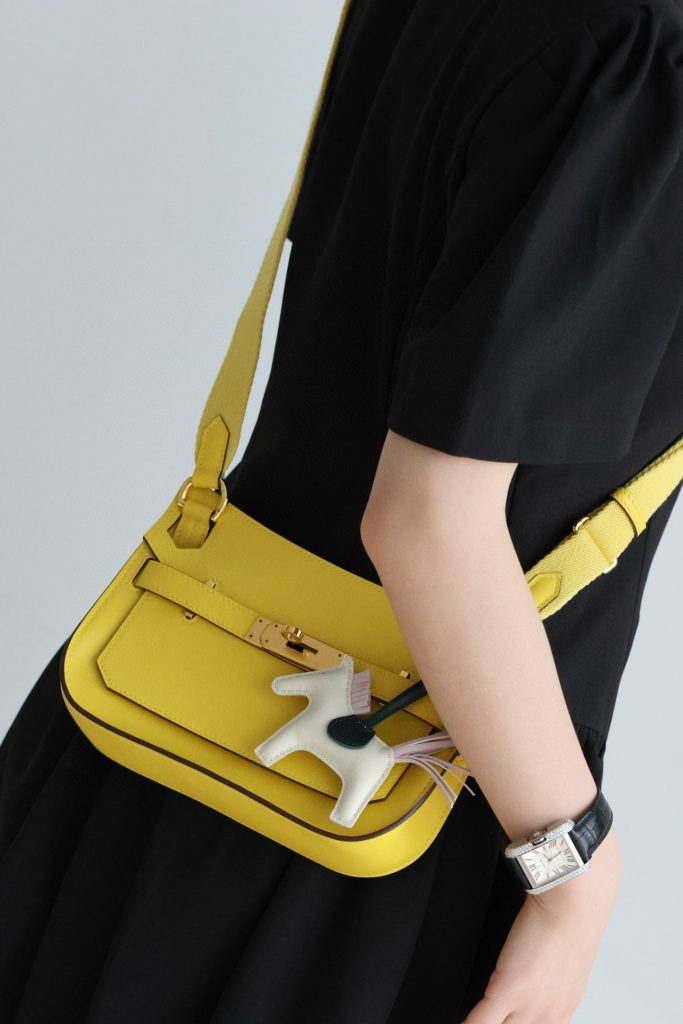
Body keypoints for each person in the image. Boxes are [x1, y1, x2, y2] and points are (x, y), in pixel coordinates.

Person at [2, 0, 683, 1021]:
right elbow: (427, 524)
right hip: (362, 842)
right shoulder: (642, 61)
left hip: (139, 743)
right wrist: (576, 871)